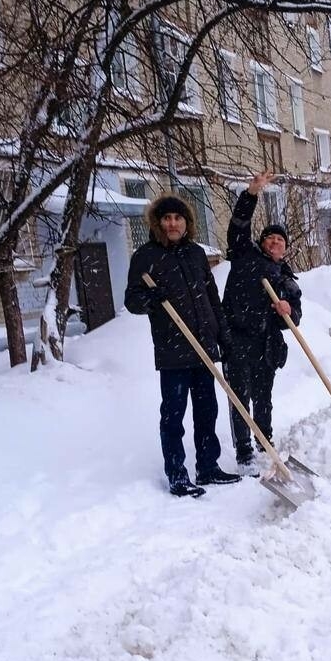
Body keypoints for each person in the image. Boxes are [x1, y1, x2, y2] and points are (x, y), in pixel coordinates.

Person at [125, 193, 241, 498]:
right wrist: (151, 298)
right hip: (173, 350)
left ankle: (208, 466)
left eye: (178, 218)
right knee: (173, 416)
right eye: (167, 218)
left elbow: (211, 298)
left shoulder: (196, 254)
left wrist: (223, 336)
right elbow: (132, 300)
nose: (173, 223)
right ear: (158, 223)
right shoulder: (145, 257)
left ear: (186, 223)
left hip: (203, 347)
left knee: (208, 411)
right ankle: (177, 474)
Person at [221, 171, 302, 473]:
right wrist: (251, 193)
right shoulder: (244, 255)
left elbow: (295, 317)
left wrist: (286, 311)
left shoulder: (287, 280)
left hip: (266, 343)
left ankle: (263, 441)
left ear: (285, 248)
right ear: (262, 242)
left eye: (280, 240)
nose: (275, 243)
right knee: (239, 397)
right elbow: (238, 227)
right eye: (270, 238)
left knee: (263, 397)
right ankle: (244, 453)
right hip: (237, 338)